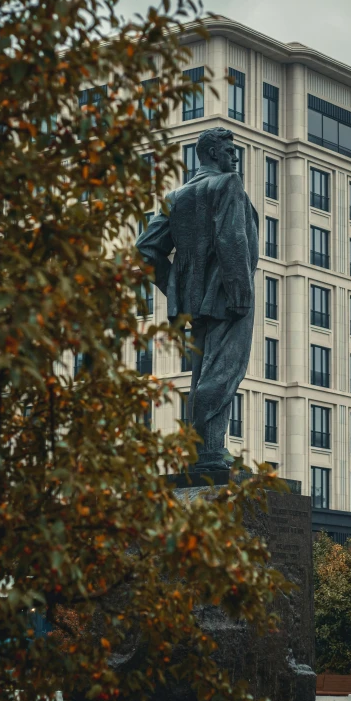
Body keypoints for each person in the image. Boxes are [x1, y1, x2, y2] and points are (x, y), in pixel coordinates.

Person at [136, 127, 259, 470]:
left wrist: (178, 291)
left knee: (204, 371)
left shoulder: (176, 196)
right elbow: (233, 239)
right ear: (214, 153)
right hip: (230, 296)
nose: (235, 156)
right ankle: (207, 451)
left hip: (198, 302)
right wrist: (239, 296)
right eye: (230, 149)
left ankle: (208, 450)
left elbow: (145, 251)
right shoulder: (228, 183)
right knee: (223, 371)